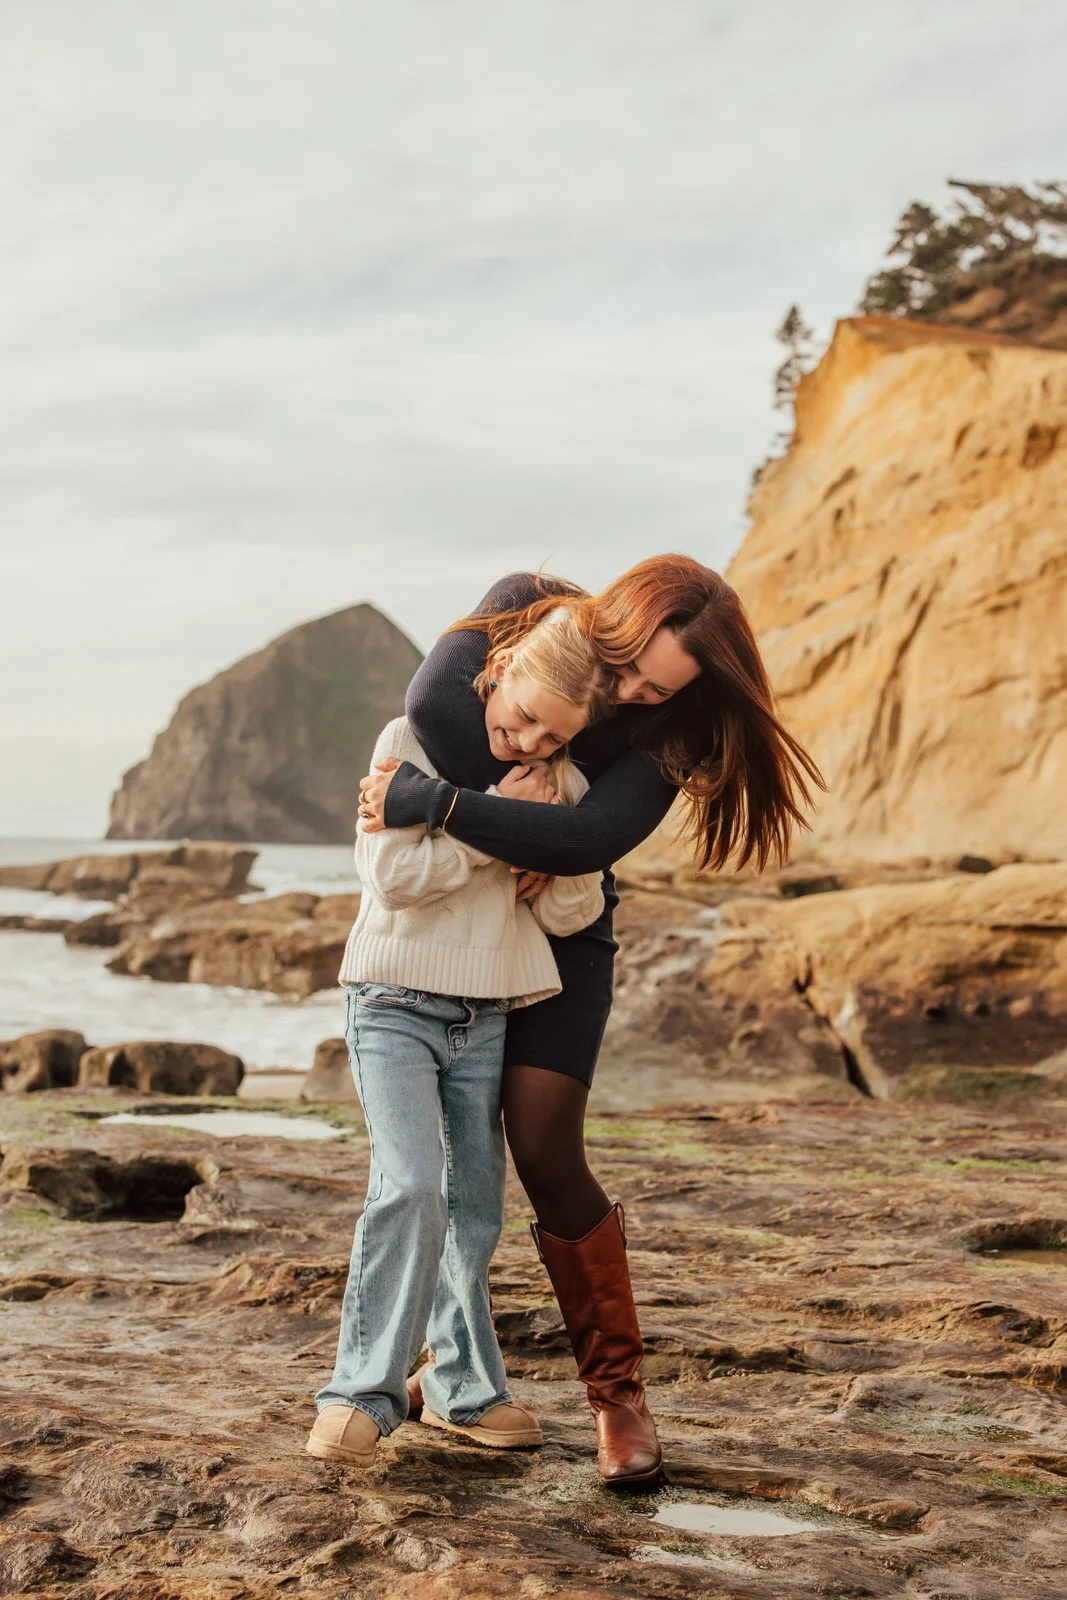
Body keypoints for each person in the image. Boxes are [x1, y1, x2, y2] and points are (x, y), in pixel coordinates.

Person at [358, 555, 823, 1488]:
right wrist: (505, 818)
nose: (630, 695)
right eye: (624, 672)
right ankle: (445, 1372)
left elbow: (588, 842)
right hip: (478, 918)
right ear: (609, 626)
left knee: (540, 1146)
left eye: (655, 689)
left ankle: (617, 1398)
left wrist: (438, 804)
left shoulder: (677, 725)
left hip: (565, 933)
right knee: (452, 1161)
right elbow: (441, 712)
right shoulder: (524, 606)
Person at [306, 604, 613, 1469]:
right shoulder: (409, 738)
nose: (525, 742)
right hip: (392, 1001)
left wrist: (546, 843)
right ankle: (358, 1392)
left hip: (487, 1012)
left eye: (550, 737)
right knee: (409, 1187)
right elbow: (395, 877)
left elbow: (572, 906)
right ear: (499, 667)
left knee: (474, 1210)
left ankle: (460, 1390)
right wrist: (493, 828)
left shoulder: (555, 782)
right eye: (519, 717)